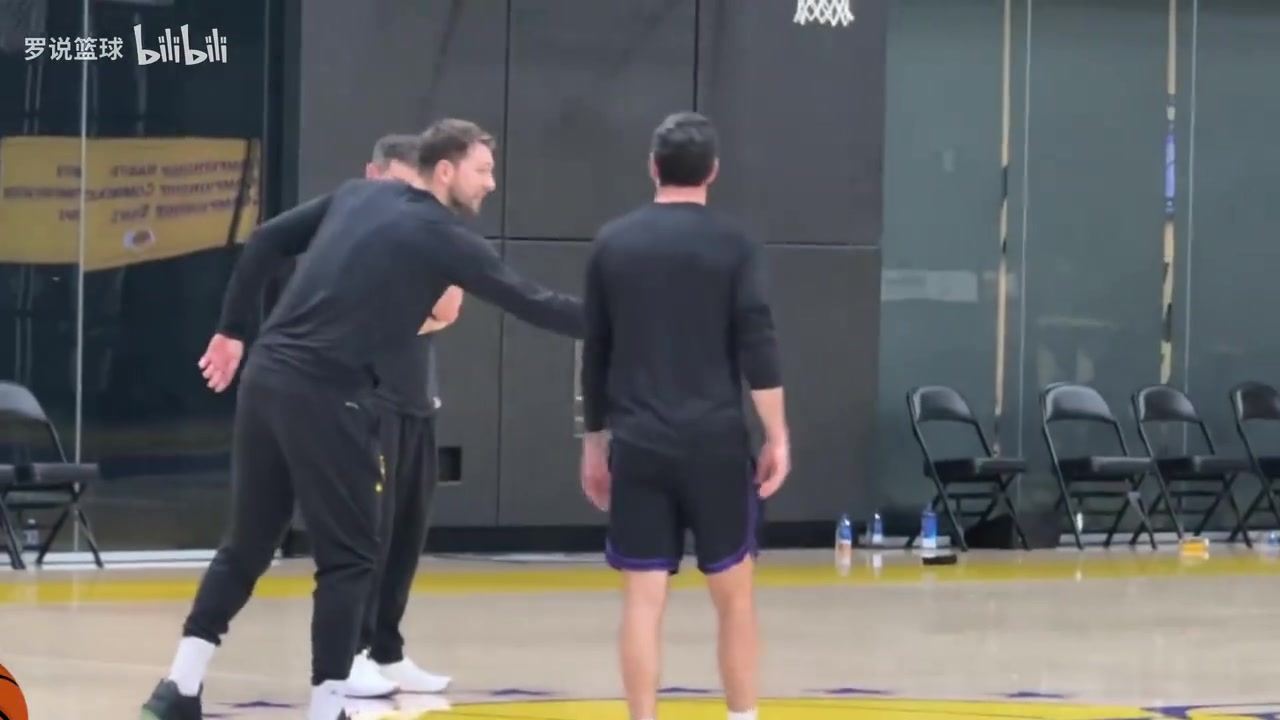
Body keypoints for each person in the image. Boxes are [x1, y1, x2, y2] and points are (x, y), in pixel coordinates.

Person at [140, 118, 583, 720]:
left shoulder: (357, 196)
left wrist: (233, 329)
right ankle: (328, 708)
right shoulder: (445, 236)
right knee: (350, 557)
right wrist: (619, 318)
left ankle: (179, 688)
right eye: (483, 170)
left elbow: (266, 239)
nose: (491, 183)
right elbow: (533, 301)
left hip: (266, 378)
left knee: (246, 545)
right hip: (327, 394)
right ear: (445, 170)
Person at [578, 111, 790, 720]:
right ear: (713, 171)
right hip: (716, 444)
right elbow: (758, 344)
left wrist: (594, 443)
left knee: (642, 603)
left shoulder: (613, 243)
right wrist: (777, 435)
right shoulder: (735, 244)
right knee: (735, 599)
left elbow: (595, 353)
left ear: (653, 167)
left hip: (639, 444)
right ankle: (742, 716)